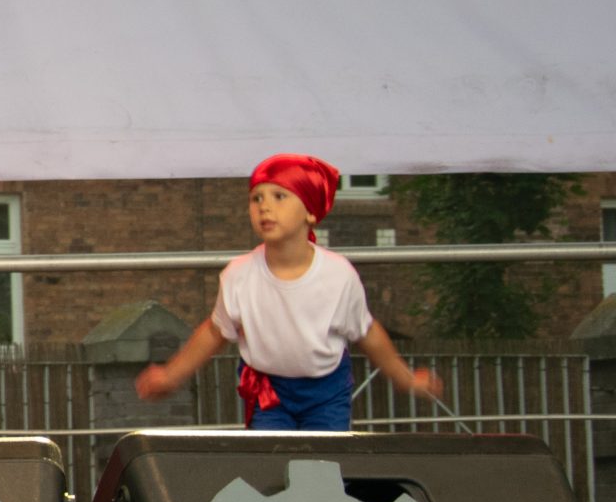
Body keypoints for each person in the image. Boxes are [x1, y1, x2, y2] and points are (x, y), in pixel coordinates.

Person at [136, 153, 442, 428]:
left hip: (326, 391)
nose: (264, 206)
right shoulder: (238, 275)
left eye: (279, 196)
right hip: (269, 392)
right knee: (273, 462)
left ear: (310, 212)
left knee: (323, 464)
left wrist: (405, 379)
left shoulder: (338, 275)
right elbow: (215, 332)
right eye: (256, 198)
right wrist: (170, 375)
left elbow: (367, 332)